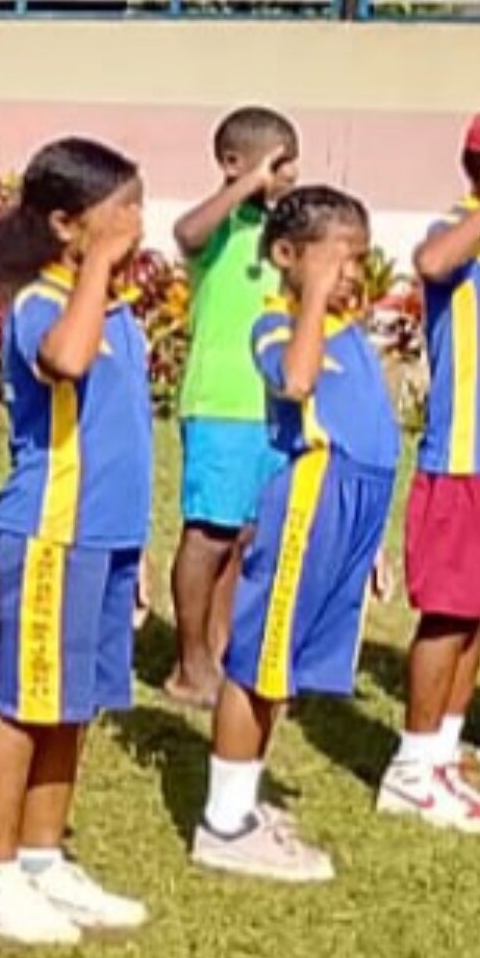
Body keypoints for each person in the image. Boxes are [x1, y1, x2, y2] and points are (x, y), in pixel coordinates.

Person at [0, 139, 158, 948]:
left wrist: (133, 543)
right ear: (66, 224)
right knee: (25, 699)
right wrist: (98, 267)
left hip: (103, 533)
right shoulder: (47, 300)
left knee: (69, 706)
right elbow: (64, 362)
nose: (138, 224)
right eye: (122, 211)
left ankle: (43, 856)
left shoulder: (110, 308)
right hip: (51, 531)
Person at [196, 186, 405, 882]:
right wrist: (311, 295)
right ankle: (222, 822)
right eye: (337, 258)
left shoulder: (350, 331)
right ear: (289, 256)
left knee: (285, 667)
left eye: (358, 259)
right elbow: (295, 380)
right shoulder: (278, 324)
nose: (350, 273)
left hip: (353, 507)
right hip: (313, 498)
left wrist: (370, 540)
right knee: (260, 656)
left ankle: (245, 800)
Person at [382, 107, 480, 826]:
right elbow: (428, 265)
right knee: (448, 617)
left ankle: (443, 759)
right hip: (464, 460)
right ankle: (410, 762)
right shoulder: (453, 242)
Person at [165, 108, 300, 708]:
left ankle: (217, 652)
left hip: (271, 410)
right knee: (209, 534)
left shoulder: (280, 234)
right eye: (280, 163)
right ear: (233, 164)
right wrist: (248, 186)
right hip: (221, 403)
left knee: (244, 536)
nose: (289, 175)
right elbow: (186, 233)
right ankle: (188, 662)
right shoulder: (219, 228)